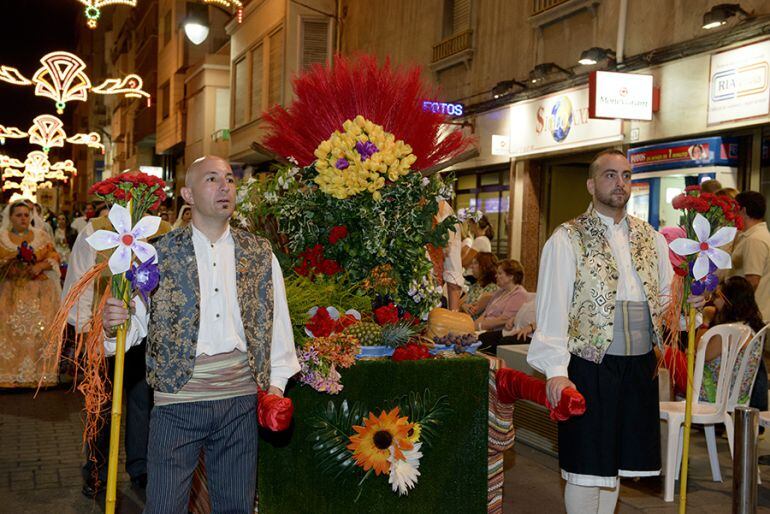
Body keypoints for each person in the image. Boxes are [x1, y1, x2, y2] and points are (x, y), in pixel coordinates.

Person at [102, 156, 300, 513]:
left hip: (238, 400)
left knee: (236, 506)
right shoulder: (155, 255)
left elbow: (277, 323)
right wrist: (115, 322)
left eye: (229, 179)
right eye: (212, 179)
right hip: (177, 400)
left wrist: (275, 387)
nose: (225, 186)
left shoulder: (260, 253)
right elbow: (133, 328)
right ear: (187, 195)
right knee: (163, 506)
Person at [526, 149, 704, 513]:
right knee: (586, 469)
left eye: (625, 175)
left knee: (616, 466)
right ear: (591, 184)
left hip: (639, 367)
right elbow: (553, 309)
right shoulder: (566, 238)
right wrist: (557, 373)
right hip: (589, 367)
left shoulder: (651, 237)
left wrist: (689, 303)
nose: (619, 183)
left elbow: (665, 304)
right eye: (610, 175)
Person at [64, 200, 166, 498]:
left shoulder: (154, 230)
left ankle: (140, 469)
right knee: (101, 406)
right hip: (101, 332)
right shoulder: (95, 231)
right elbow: (79, 281)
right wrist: (83, 329)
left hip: (141, 332)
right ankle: (96, 471)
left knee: (140, 404)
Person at [664, 276, 767, 410]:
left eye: (717, 296)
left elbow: (697, 354)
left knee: (664, 353)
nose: (712, 300)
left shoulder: (730, 333)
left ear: (729, 301)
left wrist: (705, 322)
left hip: (712, 393)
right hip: (733, 394)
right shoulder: (750, 329)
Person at [0, 201, 61, 387]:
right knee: (9, 333)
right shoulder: (2, 237)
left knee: (37, 334)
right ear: (10, 217)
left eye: (26, 215)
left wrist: (39, 265)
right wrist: (9, 266)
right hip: (10, 292)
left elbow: (54, 256)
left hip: (38, 293)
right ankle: (9, 374)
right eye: (18, 215)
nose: (23, 219)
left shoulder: (41, 236)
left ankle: (38, 375)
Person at [727, 191, 770, 321]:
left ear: (743, 210)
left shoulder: (754, 239)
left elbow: (752, 281)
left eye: (735, 210)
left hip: (751, 316)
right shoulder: (752, 236)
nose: (732, 215)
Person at [472, 259, 528, 331]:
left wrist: (480, 326)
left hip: (496, 332)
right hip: (482, 328)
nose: (496, 276)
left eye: (500, 273)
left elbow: (504, 319)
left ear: (511, 276)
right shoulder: (500, 292)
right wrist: (474, 325)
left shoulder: (519, 294)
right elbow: (485, 313)